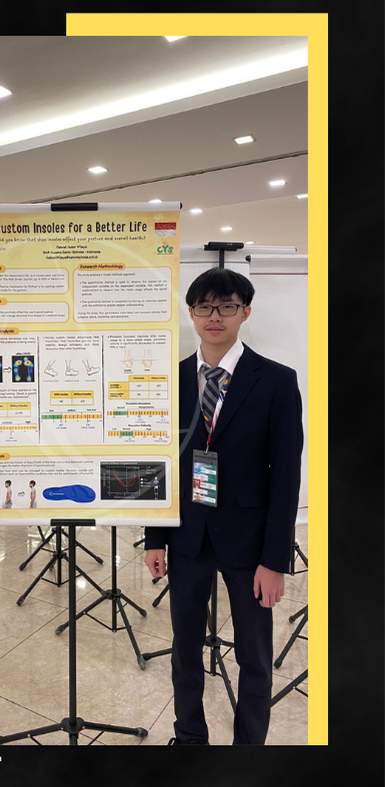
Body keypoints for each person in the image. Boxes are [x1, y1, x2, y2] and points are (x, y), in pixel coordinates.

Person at [143, 267, 302, 745]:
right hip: (187, 537)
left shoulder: (276, 381)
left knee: (254, 657)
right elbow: (161, 464)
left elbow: (287, 477)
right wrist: (155, 537)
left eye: (227, 305)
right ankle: (190, 738)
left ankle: (248, 748)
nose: (215, 315)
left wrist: (275, 561)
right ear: (190, 313)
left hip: (250, 545)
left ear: (245, 312)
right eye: (204, 306)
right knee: (184, 650)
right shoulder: (169, 382)